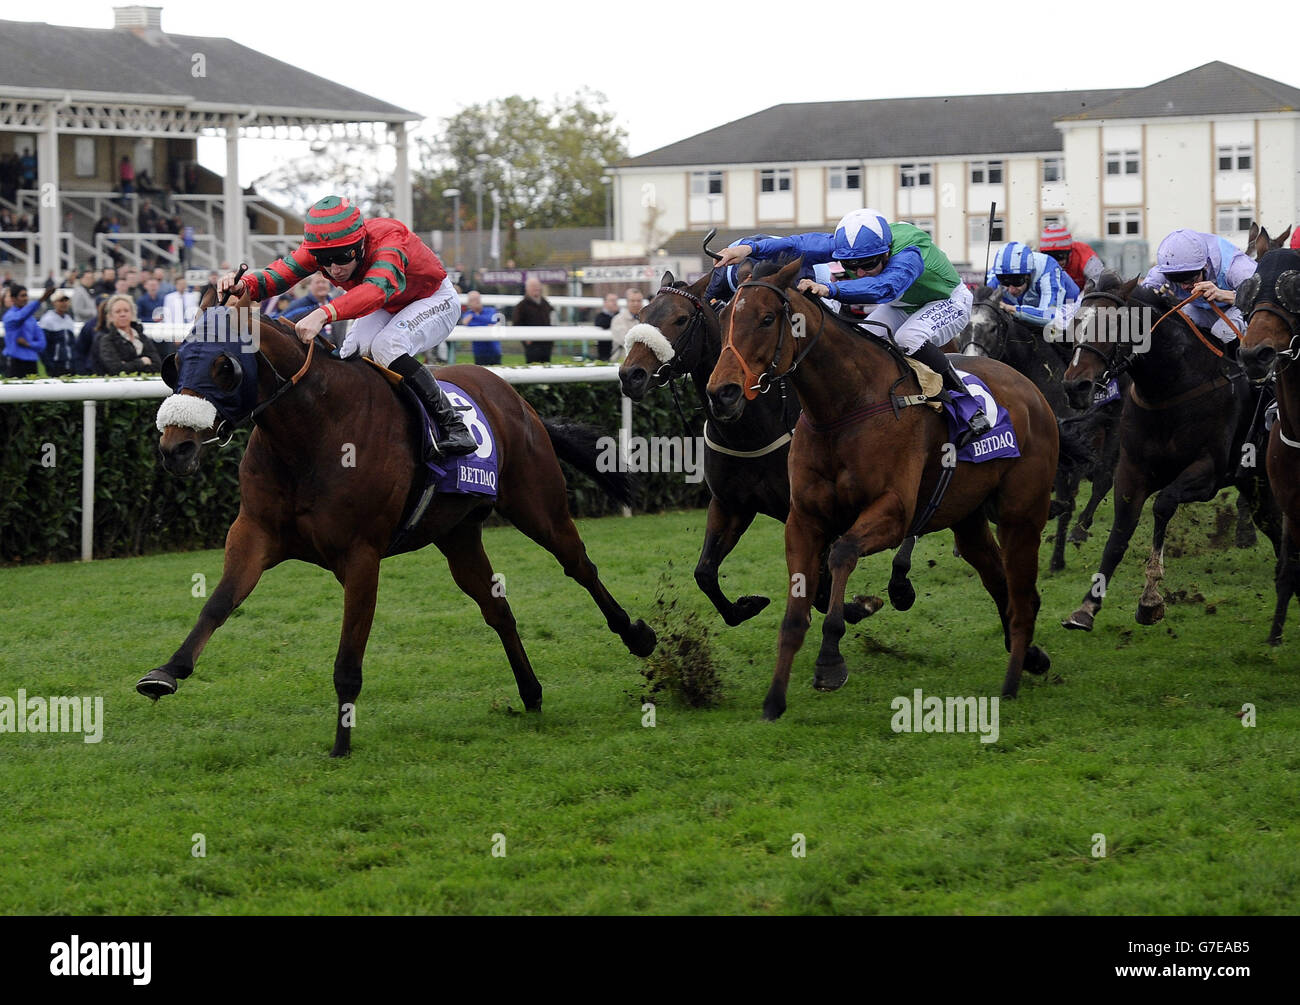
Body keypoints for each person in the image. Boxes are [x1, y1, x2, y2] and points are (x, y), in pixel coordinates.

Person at [217, 195, 475, 457]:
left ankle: (454, 425)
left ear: (360, 243)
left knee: (387, 345)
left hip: (433, 298)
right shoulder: (323, 250)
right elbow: (280, 273)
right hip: (392, 304)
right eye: (324, 261)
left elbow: (377, 290)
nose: (334, 269)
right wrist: (245, 286)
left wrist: (324, 313)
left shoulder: (390, 239)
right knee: (351, 350)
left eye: (342, 257)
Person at [714, 208, 989, 440]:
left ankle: (967, 405)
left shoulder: (909, 251)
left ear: (886, 252)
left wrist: (829, 290)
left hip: (947, 301)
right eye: (850, 264)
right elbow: (795, 244)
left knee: (909, 338)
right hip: (902, 306)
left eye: (867, 264)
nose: (858, 272)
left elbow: (885, 287)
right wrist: (749, 248)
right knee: (866, 339)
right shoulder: (848, 244)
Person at [1141, 228, 1255, 354]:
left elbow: (1260, 297)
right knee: (1179, 327)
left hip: (1244, 306)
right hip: (1203, 308)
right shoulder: (1165, 270)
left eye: (1190, 279)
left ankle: (1245, 368)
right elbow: (1140, 297)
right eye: (1176, 279)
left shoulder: (1236, 267)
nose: (1184, 287)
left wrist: (1224, 295)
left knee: (1222, 331)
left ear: (1205, 266)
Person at [985, 240, 1080, 337]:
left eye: (1017, 281)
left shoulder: (1048, 270)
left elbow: (1050, 316)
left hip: (1068, 306)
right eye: (1005, 282)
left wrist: (1012, 309)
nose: (1011, 290)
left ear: (1029, 274)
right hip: (1031, 305)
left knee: (1052, 333)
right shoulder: (998, 273)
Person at [94, 294, 163, 374]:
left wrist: (127, 365)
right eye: (118, 311)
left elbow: (158, 365)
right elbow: (116, 369)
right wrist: (142, 362)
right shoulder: (107, 340)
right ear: (110, 316)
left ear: (132, 313)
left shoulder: (142, 337)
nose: (123, 314)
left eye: (126, 310)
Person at [1039, 224, 1104, 289]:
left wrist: (1081, 298)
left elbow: (1099, 281)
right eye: (1050, 257)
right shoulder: (1038, 261)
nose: (1055, 262)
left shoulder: (1085, 255)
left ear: (1069, 252)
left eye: (1059, 256)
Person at [2, 284, 46, 377]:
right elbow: (21, 317)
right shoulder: (9, 317)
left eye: (26, 295)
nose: (26, 298)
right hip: (15, 362)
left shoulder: (32, 320)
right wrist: (40, 300)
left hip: (32, 363)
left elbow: (42, 344)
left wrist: (28, 344)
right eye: (22, 296)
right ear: (13, 299)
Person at [513, 277, 553, 364]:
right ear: (527, 289)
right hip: (532, 345)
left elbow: (552, 319)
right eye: (533, 286)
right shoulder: (521, 306)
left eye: (538, 286)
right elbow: (517, 324)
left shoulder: (545, 303)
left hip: (546, 343)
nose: (536, 288)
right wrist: (525, 339)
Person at [38, 292, 79, 376]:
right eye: (61, 301)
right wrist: (49, 365)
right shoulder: (47, 320)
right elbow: (43, 346)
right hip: (56, 364)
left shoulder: (68, 319)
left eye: (66, 301)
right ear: (54, 303)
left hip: (70, 363)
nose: (64, 303)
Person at [459, 290, 502, 365]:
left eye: (477, 299)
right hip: (479, 352)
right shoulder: (467, 314)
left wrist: (474, 317)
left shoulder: (491, 310)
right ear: (469, 303)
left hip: (494, 350)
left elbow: (491, 320)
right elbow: (466, 323)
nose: (477, 302)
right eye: (473, 300)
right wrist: (486, 324)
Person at [607, 288, 645, 366]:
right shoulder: (618, 319)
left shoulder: (648, 318)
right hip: (623, 362)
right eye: (632, 301)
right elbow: (626, 340)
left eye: (639, 301)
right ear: (627, 302)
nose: (636, 304)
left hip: (644, 362)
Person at [593, 291, 620, 361]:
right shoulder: (600, 316)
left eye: (616, 300)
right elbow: (603, 323)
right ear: (605, 303)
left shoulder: (621, 315)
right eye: (612, 300)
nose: (615, 303)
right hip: (605, 356)